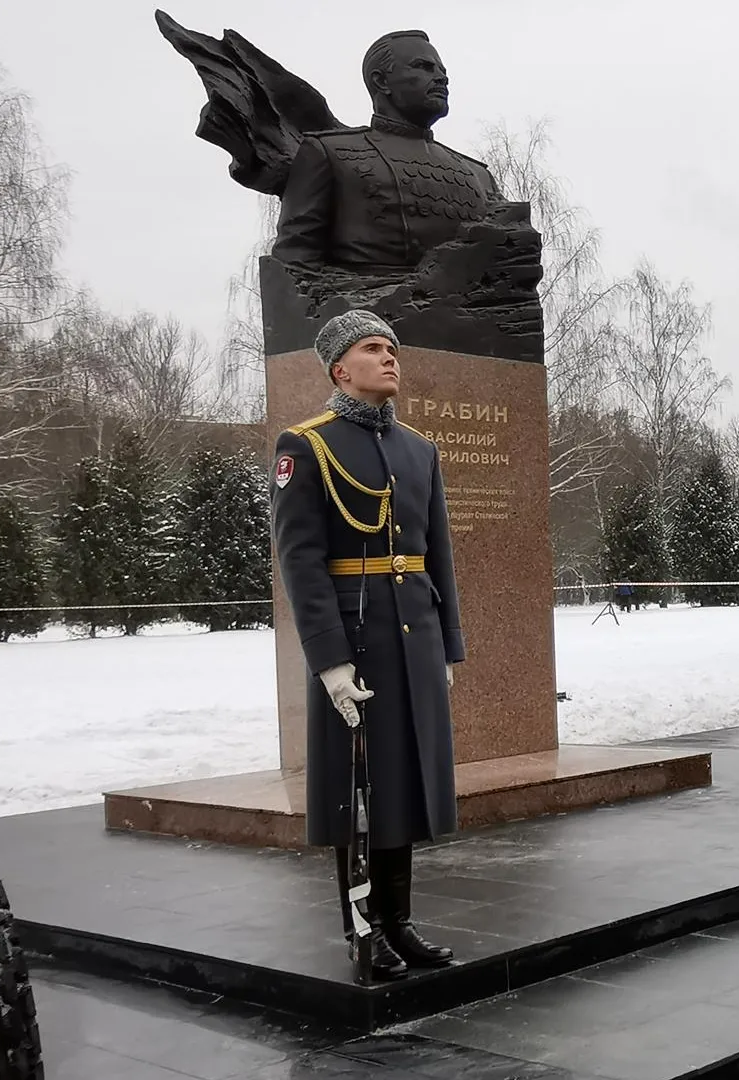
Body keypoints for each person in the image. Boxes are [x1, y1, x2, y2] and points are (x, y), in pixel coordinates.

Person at [272, 309, 462, 981]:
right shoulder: (306, 445)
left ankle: (399, 922)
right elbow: (301, 561)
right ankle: (363, 929)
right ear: (339, 368)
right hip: (354, 645)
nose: (391, 359)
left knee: (402, 784)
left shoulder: (418, 449)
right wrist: (328, 662)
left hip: (414, 638)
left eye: (393, 349)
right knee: (357, 792)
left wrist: (446, 651)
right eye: (374, 349)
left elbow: (436, 554)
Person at [273, 31, 501, 270]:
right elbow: (293, 266)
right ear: (381, 81)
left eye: (442, 71)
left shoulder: (478, 175)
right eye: (424, 67)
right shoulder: (330, 153)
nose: (441, 78)